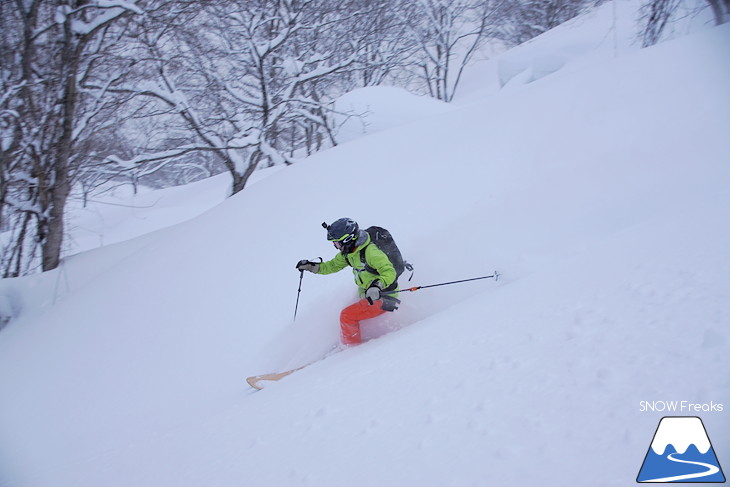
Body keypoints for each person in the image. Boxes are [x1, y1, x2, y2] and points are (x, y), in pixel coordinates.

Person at [296, 218, 399, 345]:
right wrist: (311, 267)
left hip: (384, 297)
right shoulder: (349, 252)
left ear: (348, 240)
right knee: (347, 309)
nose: (336, 247)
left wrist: (377, 286)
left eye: (337, 243)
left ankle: (351, 348)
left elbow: (390, 272)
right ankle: (351, 337)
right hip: (366, 294)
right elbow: (332, 266)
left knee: (347, 315)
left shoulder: (371, 252)